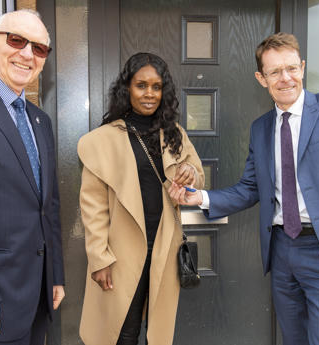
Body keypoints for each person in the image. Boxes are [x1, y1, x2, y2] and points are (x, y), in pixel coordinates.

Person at [169, 32, 319, 345]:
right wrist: (199, 197)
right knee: (293, 337)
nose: (285, 78)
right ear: (261, 78)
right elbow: (250, 188)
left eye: (292, 68)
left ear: (303, 67)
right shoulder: (261, 128)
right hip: (281, 251)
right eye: (274, 72)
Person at [78, 52, 204, 345]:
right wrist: (99, 259)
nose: (149, 94)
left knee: (157, 333)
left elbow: (197, 175)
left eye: (156, 87)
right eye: (141, 85)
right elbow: (93, 208)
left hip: (164, 247)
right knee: (122, 332)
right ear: (127, 89)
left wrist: (188, 172)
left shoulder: (174, 134)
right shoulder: (102, 140)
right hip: (121, 252)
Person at [0, 9, 65, 345]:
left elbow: (49, 207)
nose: (27, 54)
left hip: (37, 300)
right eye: (17, 40)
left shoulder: (40, 120)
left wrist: (55, 276)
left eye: (40, 48)